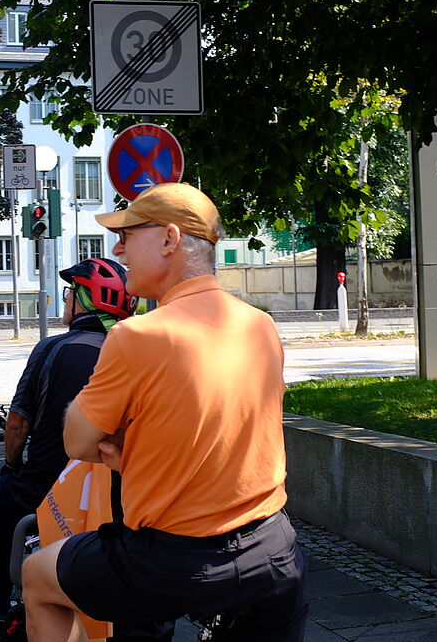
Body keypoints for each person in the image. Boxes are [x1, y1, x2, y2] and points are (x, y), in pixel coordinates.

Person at [22, 182, 308, 642]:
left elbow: (77, 443)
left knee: (37, 576)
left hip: (173, 562)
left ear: (170, 240)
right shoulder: (260, 325)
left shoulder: (138, 336)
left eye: (128, 234)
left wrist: (117, 437)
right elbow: (222, 426)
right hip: (272, 549)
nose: (118, 248)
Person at [0, 258, 137, 642]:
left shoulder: (53, 349)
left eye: (69, 292)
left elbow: (17, 424)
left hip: (46, 487)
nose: (65, 300)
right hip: (120, 492)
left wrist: (10, 467)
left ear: (83, 299)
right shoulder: (136, 352)